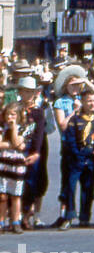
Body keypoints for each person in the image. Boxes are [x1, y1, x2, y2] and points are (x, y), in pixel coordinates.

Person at [58, 85, 94, 229]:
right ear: (82, 101)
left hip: (90, 158)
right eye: (88, 101)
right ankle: (69, 215)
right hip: (76, 158)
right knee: (70, 187)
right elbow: (70, 139)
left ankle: (85, 216)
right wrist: (78, 155)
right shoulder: (75, 118)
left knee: (88, 188)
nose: (92, 103)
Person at [16, 77, 49, 230]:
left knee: (31, 181)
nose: (28, 95)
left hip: (33, 149)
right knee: (16, 181)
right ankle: (16, 215)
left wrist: (36, 152)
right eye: (25, 92)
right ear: (20, 92)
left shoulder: (38, 112)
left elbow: (39, 133)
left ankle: (28, 214)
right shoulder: (14, 109)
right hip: (17, 149)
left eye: (31, 92)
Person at [0, 102, 28, 233]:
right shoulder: (1, 127)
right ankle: (1, 221)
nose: (10, 117)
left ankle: (16, 220)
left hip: (17, 165)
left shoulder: (23, 128)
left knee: (16, 195)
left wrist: (14, 129)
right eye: (8, 114)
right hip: (3, 163)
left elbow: (19, 143)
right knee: (3, 195)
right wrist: (12, 145)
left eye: (13, 114)